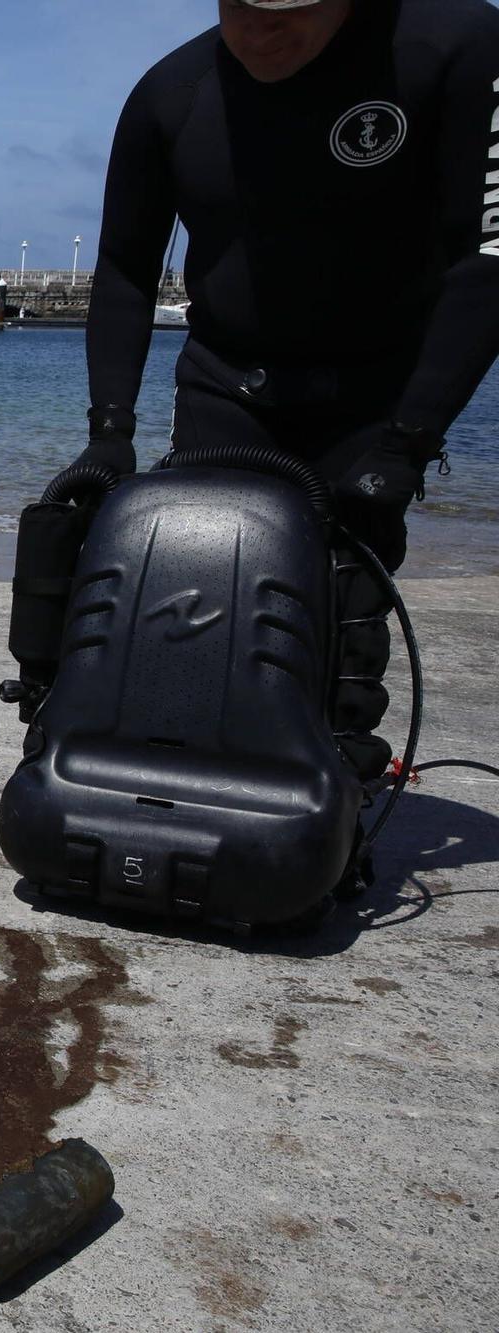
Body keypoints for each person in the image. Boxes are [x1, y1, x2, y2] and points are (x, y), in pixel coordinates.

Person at [81, 0, 499, 776]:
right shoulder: (170, 92)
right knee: (198, 615)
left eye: (289, 8)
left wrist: (408, 442)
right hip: (226, 387)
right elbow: (125, 268)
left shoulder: (455, 47)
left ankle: (336, 787)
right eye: (239, 5)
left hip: (374, 396)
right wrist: (110, 431)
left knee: (341, 624)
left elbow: (489, 260)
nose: (259, 29)